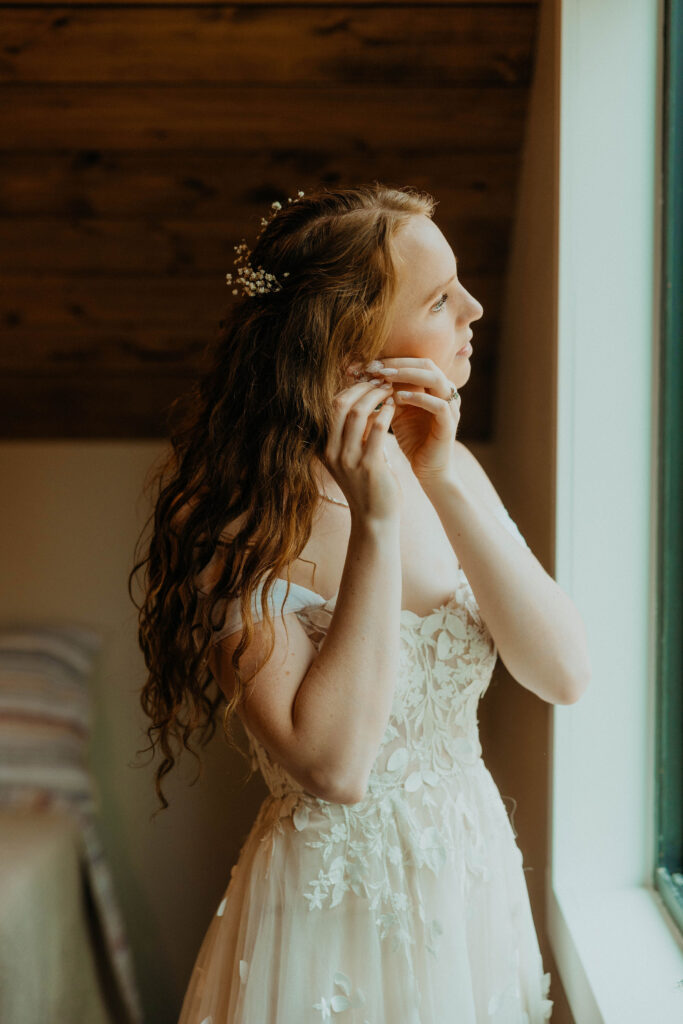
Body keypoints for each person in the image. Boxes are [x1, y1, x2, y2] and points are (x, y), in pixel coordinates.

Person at [131, 183, 590, 1022]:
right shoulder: (237, 517)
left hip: (468, 888)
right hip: (326, 919)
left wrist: (441, 478)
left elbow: (562, 673)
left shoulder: (452, 470)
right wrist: (377, 521)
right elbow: (333, 766)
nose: (475, 309)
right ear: (349, 346)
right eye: (442, 297)